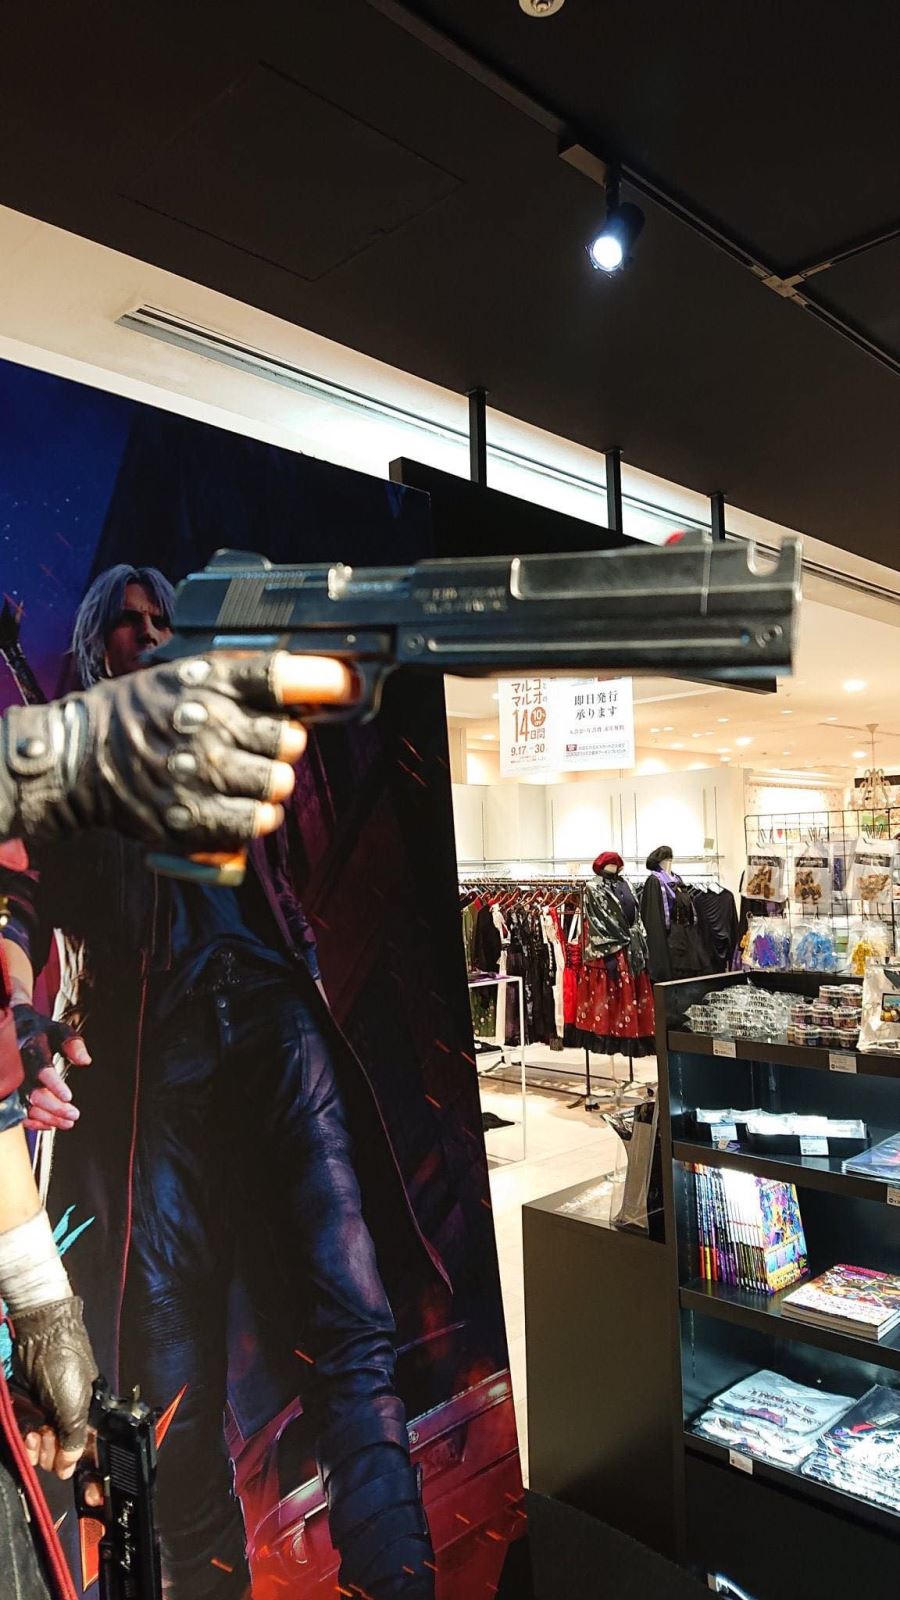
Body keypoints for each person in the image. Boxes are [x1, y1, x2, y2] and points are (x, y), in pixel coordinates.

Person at [1, 567, 439, 1600]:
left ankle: (398, 1578)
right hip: (160, 1060)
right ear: (94, 646)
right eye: (131, 624)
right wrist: (23, 1015)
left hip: (277, 1022)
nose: (152, 635)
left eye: (164, 621)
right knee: (170, 1382)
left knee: (351, 1314)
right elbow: (15, 904)